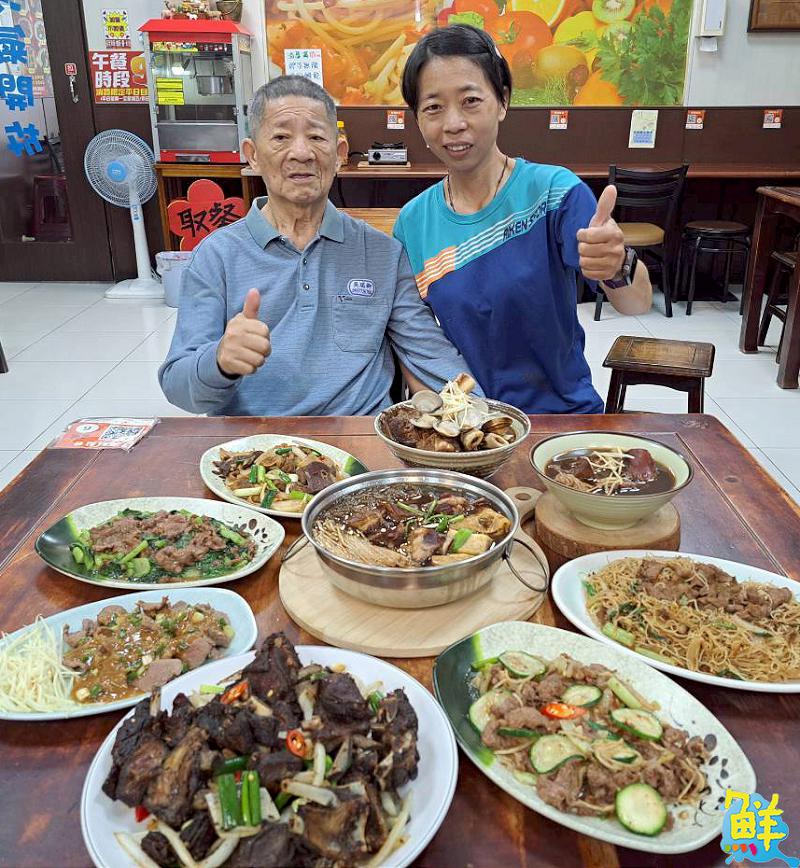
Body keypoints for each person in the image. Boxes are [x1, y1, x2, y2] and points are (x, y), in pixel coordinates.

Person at [159, 75, 476, 416]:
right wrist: (219, 361)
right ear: (252, 155)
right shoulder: (216, 256)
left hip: (360, 447)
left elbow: (429, 353)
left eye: (315, 137)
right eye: (281, 137)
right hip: (255, 451)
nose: (301, 153)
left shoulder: (383, 253)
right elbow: (179, 387)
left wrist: (484, 417)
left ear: (339, 153)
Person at [394, 25, 653, 415]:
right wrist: (439, 414)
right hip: (470, 425)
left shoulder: (553, 193)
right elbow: (414, 341)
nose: (453, 123)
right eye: (433, 107)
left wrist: (616, 267)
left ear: (502, 101)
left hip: (561, 418)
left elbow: (637, 303)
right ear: (418, 119)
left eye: (470, 101)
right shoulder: (413, 222)